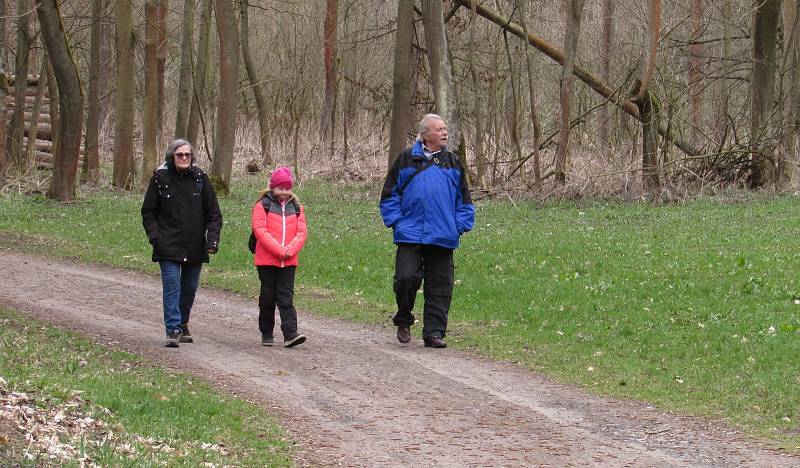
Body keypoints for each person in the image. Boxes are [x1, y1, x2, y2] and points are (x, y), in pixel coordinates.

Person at [380, 114, 475, 348]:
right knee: (406, 278)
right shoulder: (405, 160)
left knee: (440, 285)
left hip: (443, 234)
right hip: (410, 232)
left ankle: (434, 333)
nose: (445, 132)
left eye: (445, 129)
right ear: (425, 134)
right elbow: (389, 196)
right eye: (439, 129)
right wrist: (397, 222)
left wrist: (459, 226)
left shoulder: (453, 162)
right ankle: (404, 317)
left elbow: (464, 201)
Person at [141, 139, 222, 348]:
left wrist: (212, 239)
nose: (184, 158)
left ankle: (183, 322)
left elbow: (214, 213)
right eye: (180, 155)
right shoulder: (160, 178)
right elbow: (148, 212)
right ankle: (173, 329)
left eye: (187, 155)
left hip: (195, 244)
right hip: (167, 244)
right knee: (172, 286)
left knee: (189, 288)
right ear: (172, 156)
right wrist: (155, 237)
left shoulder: (201, 179)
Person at [251, 166, 308, 348]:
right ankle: (266, 332)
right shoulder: (262, 206)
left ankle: (290, 334)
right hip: (267, 260)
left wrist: (290, 249)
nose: (284, 192)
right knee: (268, 296)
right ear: (272, 188)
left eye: (287, 188)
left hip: (289, 261)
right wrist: (279, 250)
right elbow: (260, 231)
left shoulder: (297, 207)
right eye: (280, 188)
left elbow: (302, 232)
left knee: (286, 297)